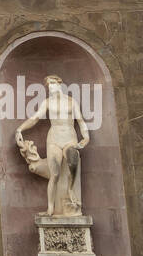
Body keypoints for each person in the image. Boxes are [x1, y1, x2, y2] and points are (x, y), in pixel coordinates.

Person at [14, 75, 89, 216]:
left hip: (69, 137)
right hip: (54, 138)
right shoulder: (47, 102)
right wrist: (20, 129)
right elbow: (35, 118)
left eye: (53, 83)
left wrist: (86, 137)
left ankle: (70, 189)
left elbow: (80, 120)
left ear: (60, 84)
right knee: (54, 173)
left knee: (73, 161)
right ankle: (50, 208)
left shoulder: (71, 102)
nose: (51, 87)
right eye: (48, 85)